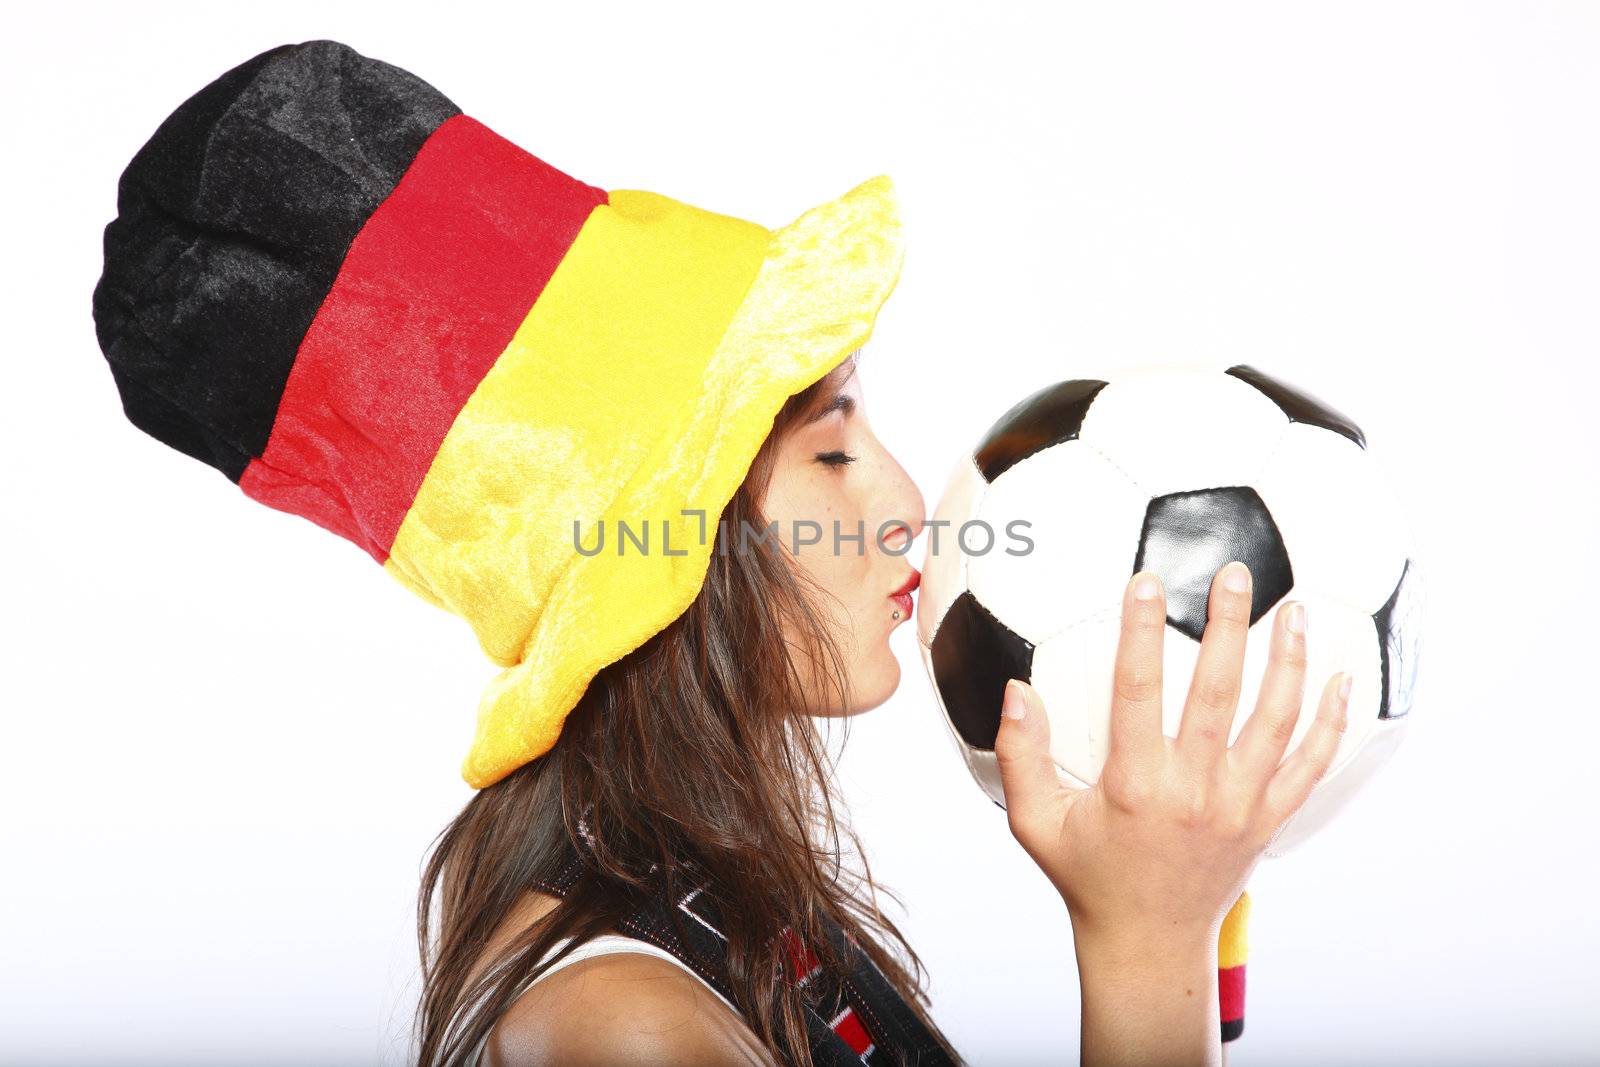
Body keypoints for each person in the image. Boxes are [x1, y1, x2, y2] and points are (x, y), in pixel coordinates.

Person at [92, 39, 1350, 1067]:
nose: (909, 502)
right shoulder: (625, 1031)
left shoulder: (708, 892)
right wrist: (1141, 947)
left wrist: (1185, 917)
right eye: (829, 449)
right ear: (660, 554)